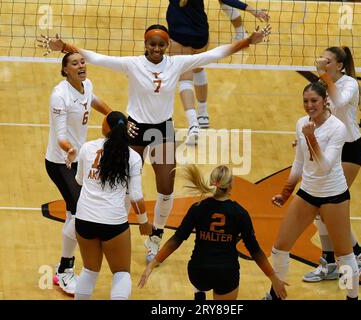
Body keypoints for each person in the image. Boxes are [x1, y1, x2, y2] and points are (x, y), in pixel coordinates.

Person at [39, 23, 271, 264]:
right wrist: (64, 46)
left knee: (166, 187)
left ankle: (155, 236)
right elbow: (96, 57)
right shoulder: (133, 64)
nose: (157, 48)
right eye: (152, 44)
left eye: (161, 44)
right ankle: (113, 228)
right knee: (122, 186)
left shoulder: (177, 63)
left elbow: (215, 54)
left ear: (167, 45)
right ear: (145, 44)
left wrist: (247, 41)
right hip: (135, 129)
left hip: (162, 130)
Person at [265, 82, 359, 300]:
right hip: (307, 193)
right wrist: (286, 192)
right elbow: (299, 162)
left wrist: (311, 137)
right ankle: (275, 295)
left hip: (334, 196)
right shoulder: (301, 124)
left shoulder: (337, 128)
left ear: (325, 100)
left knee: (344, 255)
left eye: (314, 101)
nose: (309, 105)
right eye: (305, 101)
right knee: (279, 248)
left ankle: (351, 297)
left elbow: (324, 166)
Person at [138, 165, 287, 300]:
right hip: (226, 273)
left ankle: (199, 292)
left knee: (200, 268)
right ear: (230, 186)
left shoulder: (198, 208)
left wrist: (152, 264)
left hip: (198, 272)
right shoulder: (240, 213)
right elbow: (255, 251)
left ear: (212, 183)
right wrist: (274, 277)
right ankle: (200, 291)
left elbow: (176, 240)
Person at [42, 51, 112, 295]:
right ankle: (64, 270)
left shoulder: (86, 85)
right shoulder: (59, 96)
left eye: (82, 62)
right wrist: (70, 150)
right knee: (79, 211)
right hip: (60, 162)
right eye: (74, 63)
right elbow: (60, 136)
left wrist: (115, 116)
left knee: (76, 212)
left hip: (78, 160)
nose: (81, 65)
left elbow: (94, 100)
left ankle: (64, 268)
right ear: (65, 70)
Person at [301, 46, 361, 283]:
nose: (322, 62)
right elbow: (319, 114)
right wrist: (303, 139)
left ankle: (351, 255)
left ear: (339, 65)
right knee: (322, 210)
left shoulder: (349, 83)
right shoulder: (323, 84)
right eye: (321, 58)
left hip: (349, 151)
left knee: (328, 208)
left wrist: (324, 77)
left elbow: (339, 104)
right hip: (331, 147)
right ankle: (333, 259)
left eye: (327, 61)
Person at [73, 111, 152, 300]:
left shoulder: (87, 148)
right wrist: (144, 222)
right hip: (113, 223)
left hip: (84, 220)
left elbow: (79, 181)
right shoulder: (132, 157)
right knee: (121, 273)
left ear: (105, 127)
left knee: (89, 271)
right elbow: (136, 197)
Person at [167, 0, 269, 145]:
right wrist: (251, 9)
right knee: (199, 69)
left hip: (178, 32)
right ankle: (203, 114)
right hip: (200, 32)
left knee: (185, 79)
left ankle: (193, 124)